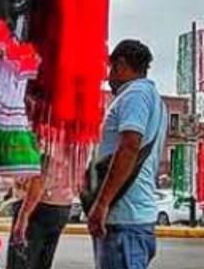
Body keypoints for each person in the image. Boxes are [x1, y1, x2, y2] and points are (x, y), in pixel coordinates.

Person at [86, 40, 167, 269]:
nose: (108, 78)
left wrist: (102, 204)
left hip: (124, 219)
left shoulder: (135, 94)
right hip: (131, 219)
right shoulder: (154, 99)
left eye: (111, 70)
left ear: (120, 65)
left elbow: (130, 146)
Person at [8, 152, 74, 269]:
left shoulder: (45, 138)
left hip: (37, 204)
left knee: (21, 262)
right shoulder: (69, 138)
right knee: (42, 262)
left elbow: (39, 176)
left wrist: (24, 215)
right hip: (61, 203)